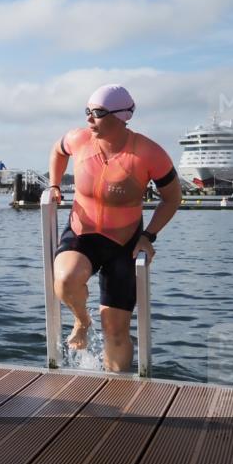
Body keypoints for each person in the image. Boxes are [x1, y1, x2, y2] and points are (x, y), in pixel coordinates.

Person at [48, 84, 181, 372]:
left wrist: (148, 236)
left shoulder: (148, 153)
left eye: (97, 113)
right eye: (87, 112)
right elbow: (58, 151)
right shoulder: (78, 139)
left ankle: (116, 389)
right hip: (81, 234)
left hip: (125, 244)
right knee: (66, 280)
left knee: (116, 330)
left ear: (122, 117)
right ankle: (82, 321)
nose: (89, 119)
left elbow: (172, 198)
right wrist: (54, 184)